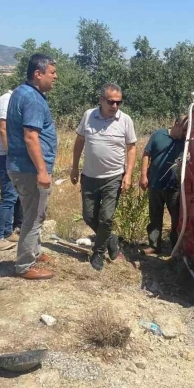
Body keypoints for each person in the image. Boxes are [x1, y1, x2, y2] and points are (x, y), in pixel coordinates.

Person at [70, 83, 137, 272]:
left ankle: (98, 253)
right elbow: (79, 141)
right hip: (89, 176)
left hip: (113, 177)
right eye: (111, 102)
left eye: (119, 102)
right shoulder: (88, 116)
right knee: (89, 216)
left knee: (106, 218)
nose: (115, 106)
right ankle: (110, 238)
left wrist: (128, 175)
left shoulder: (125, 120)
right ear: (101, 100)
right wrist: (74, 167)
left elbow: (131, 148)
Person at [6, 54, 58, 280]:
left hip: (21, 166)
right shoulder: (33, 99)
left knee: (36, 213)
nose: (56, 77)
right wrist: (42, 171)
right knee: (33, 217)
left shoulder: (21, 92)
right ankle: (25, 265)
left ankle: (34, 252)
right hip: (30, 169)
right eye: (52, 73)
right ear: (38, 74)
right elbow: (30, 137)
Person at [139, 116, 187, 255]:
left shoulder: (186, 141)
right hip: (155, 184)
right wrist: (143, 176)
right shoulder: (159, 135)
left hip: (175, 187)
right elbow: (146, 154)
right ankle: (154, 245)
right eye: (183, 130)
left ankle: (175, 247)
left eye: (187, 131)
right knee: (155, 216)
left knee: (177, 218)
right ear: (176, 124)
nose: (185, 134)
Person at [0, 89, 23, 251]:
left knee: (14, 194)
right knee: (8, 196)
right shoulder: (7, 100)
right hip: (5, 156)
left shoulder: (10, 99)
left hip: (7, 155)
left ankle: (8, 232)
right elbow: (3, 128)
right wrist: (12, 152)